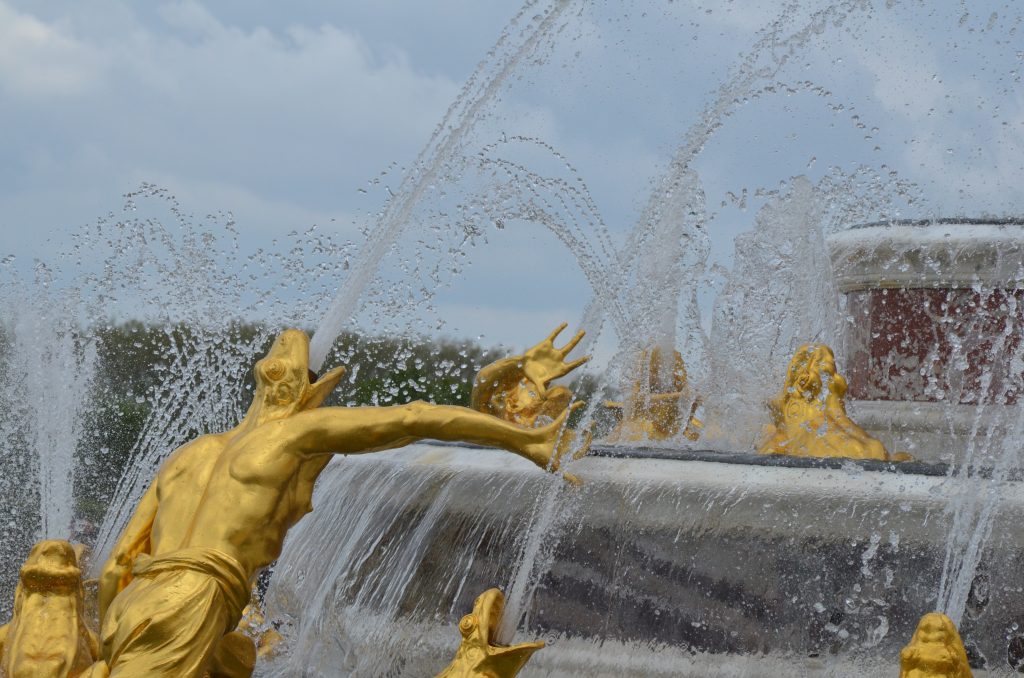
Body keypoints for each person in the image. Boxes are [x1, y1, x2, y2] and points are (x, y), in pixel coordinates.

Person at [92, 329, 579, 678]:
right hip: (193, 599)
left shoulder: (191, 453)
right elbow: (415, 418)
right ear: (306, 396)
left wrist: (108, 638)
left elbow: (117, 567)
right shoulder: (293, 434)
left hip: (134, 604)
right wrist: (523, 440)